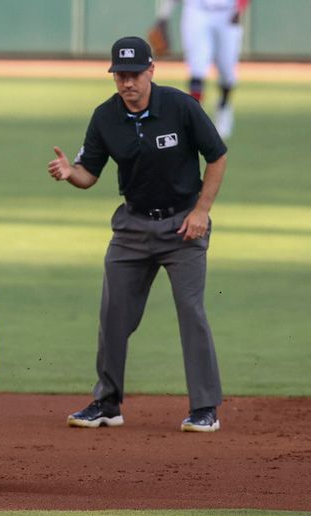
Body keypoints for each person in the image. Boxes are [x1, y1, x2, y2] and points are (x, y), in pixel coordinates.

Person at [47, 36, 227, 433]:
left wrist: (201, 211)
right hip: (131, 227)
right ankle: (107, 402)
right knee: (113, 314)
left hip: (183, 226)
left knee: (191, 312)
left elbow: (217, 155)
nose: (127, 83)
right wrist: (69, 172)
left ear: (151, 71)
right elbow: (88, 174)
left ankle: (205, 408)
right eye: (120, 76)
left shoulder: (180, 107)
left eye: (134, 75)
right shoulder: (105, 116)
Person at [155, 0, 249, 138]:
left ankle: (224, 105)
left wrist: (239, 9)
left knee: (227, 72)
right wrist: (163, 17)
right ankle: (195, 118)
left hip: (227, 12)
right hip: (196, 11)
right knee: (196, 70)